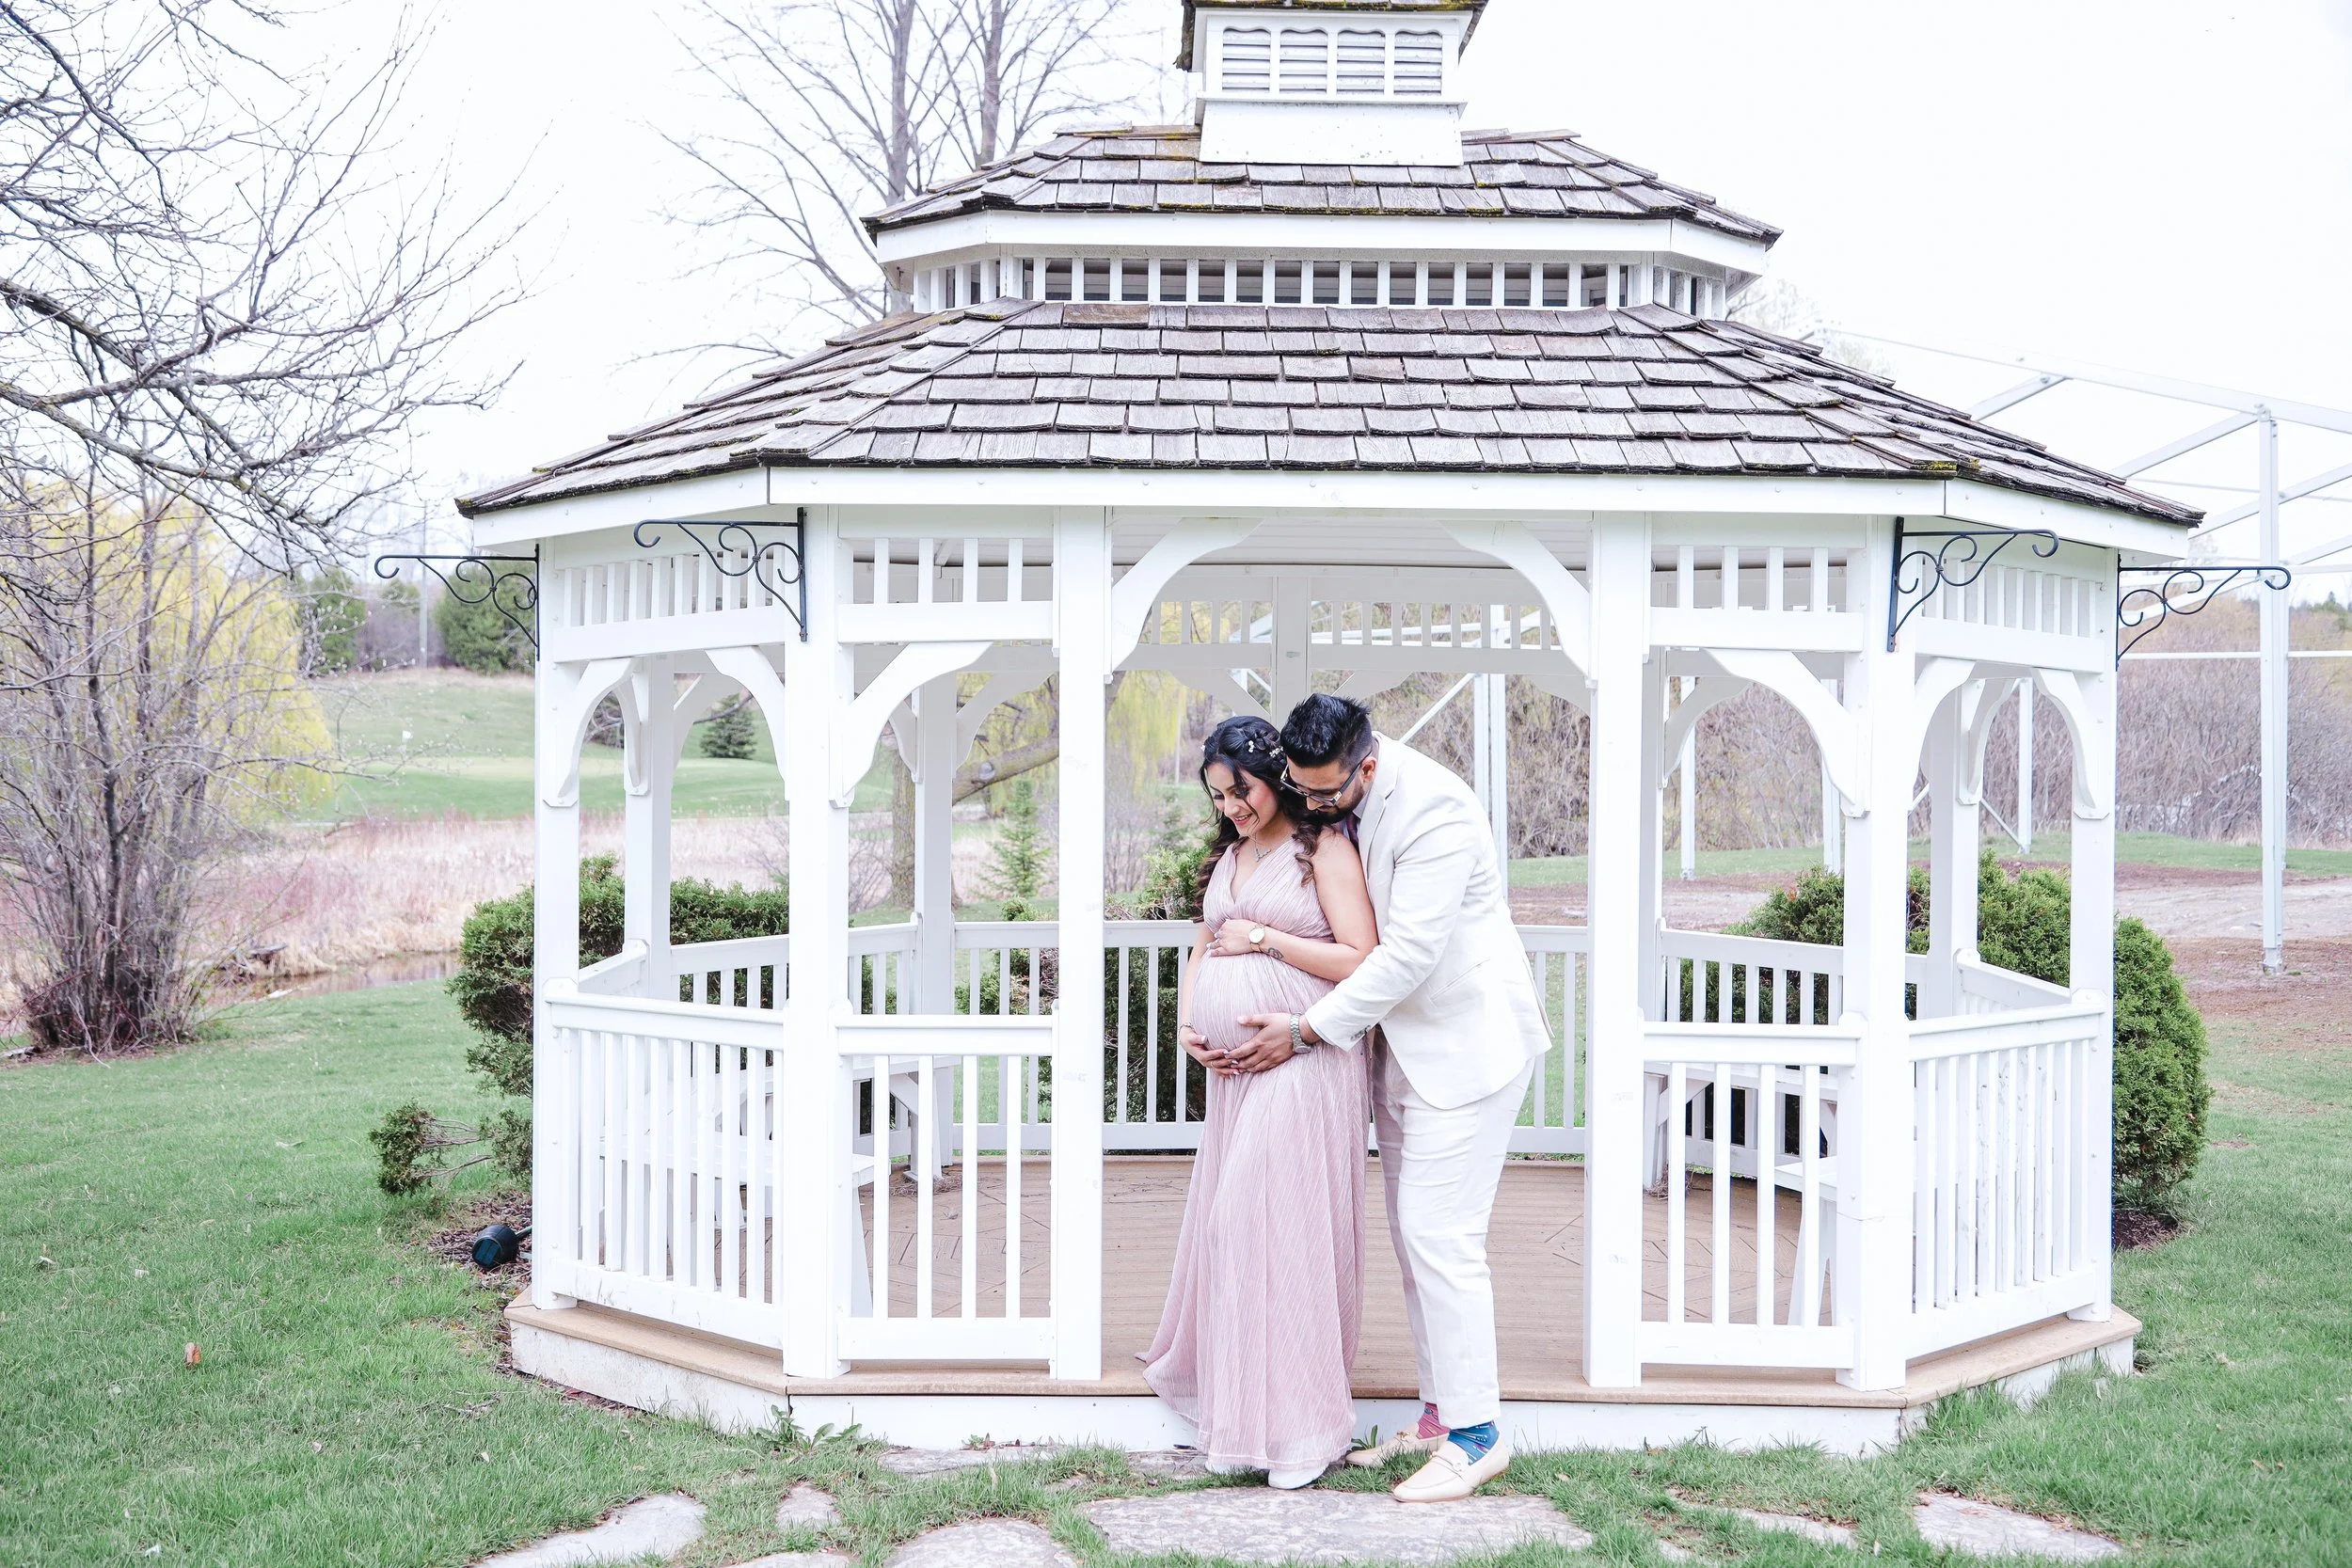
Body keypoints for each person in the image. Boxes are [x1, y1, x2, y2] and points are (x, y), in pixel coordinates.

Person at [1227, 694, 1552, 1504]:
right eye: (1299, 787)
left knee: (1442, 1235)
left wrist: (1305, 1031)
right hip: (1402, 1053)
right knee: (1416, 1242)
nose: (1310, 805)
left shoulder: (1437, 811)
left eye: (1325, 793)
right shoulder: (1331, 787)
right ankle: (1439, 1418)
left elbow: (1407, 957)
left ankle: (1479, 1438)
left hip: (1468, 1049)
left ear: (1366, 766)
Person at [1142, 715, 1379, 1490]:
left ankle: (1305, 1430)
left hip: (1306, 1062)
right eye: (1218, 796)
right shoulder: (1231, 854)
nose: (1231, 807)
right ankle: (1255, 1421)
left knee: (1266, 1224)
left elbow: (1362, 959)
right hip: (1238, 1076)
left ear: (1274, 776)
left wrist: (1265, 942)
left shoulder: (1324, 849)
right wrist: (1189, 1024)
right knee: (1245, 1231)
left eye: (1239, 790)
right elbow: (1205, 943)